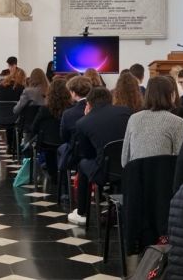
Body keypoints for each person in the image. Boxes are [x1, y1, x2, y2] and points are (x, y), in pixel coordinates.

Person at [68, 87, 132, 225]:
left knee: (83, 164)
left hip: (104, 172)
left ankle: (82, 212)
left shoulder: (83, 122)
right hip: (130, 167)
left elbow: (87, 153)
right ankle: (119, 210)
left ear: (88, 104)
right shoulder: (126, 112)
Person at [121, 77, 183, 166]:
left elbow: (124, 160)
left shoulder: (133, 118)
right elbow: (181, 161)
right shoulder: (178, 122)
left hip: (135, 177)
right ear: (171, 95)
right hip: (163, 177)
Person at [32, 79, 72, 184]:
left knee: (50, 152)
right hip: (65, 142)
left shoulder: (44, 109)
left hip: (47, 143)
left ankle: (53, 176)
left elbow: (34, 127)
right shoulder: (71, 109)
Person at [0, 67, 25, 153]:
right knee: (19, 116)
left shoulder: (0, 87)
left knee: (9, 116)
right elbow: (23, 105)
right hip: (15, 119)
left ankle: (10, 145)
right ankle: (16, 146)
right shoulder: (21, 88)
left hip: (0, 118)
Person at [60, 76, 92, 143]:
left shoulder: (68, 113)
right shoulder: (97, 108)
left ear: (73, 93)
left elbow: (64, 138)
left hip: (75, 150)